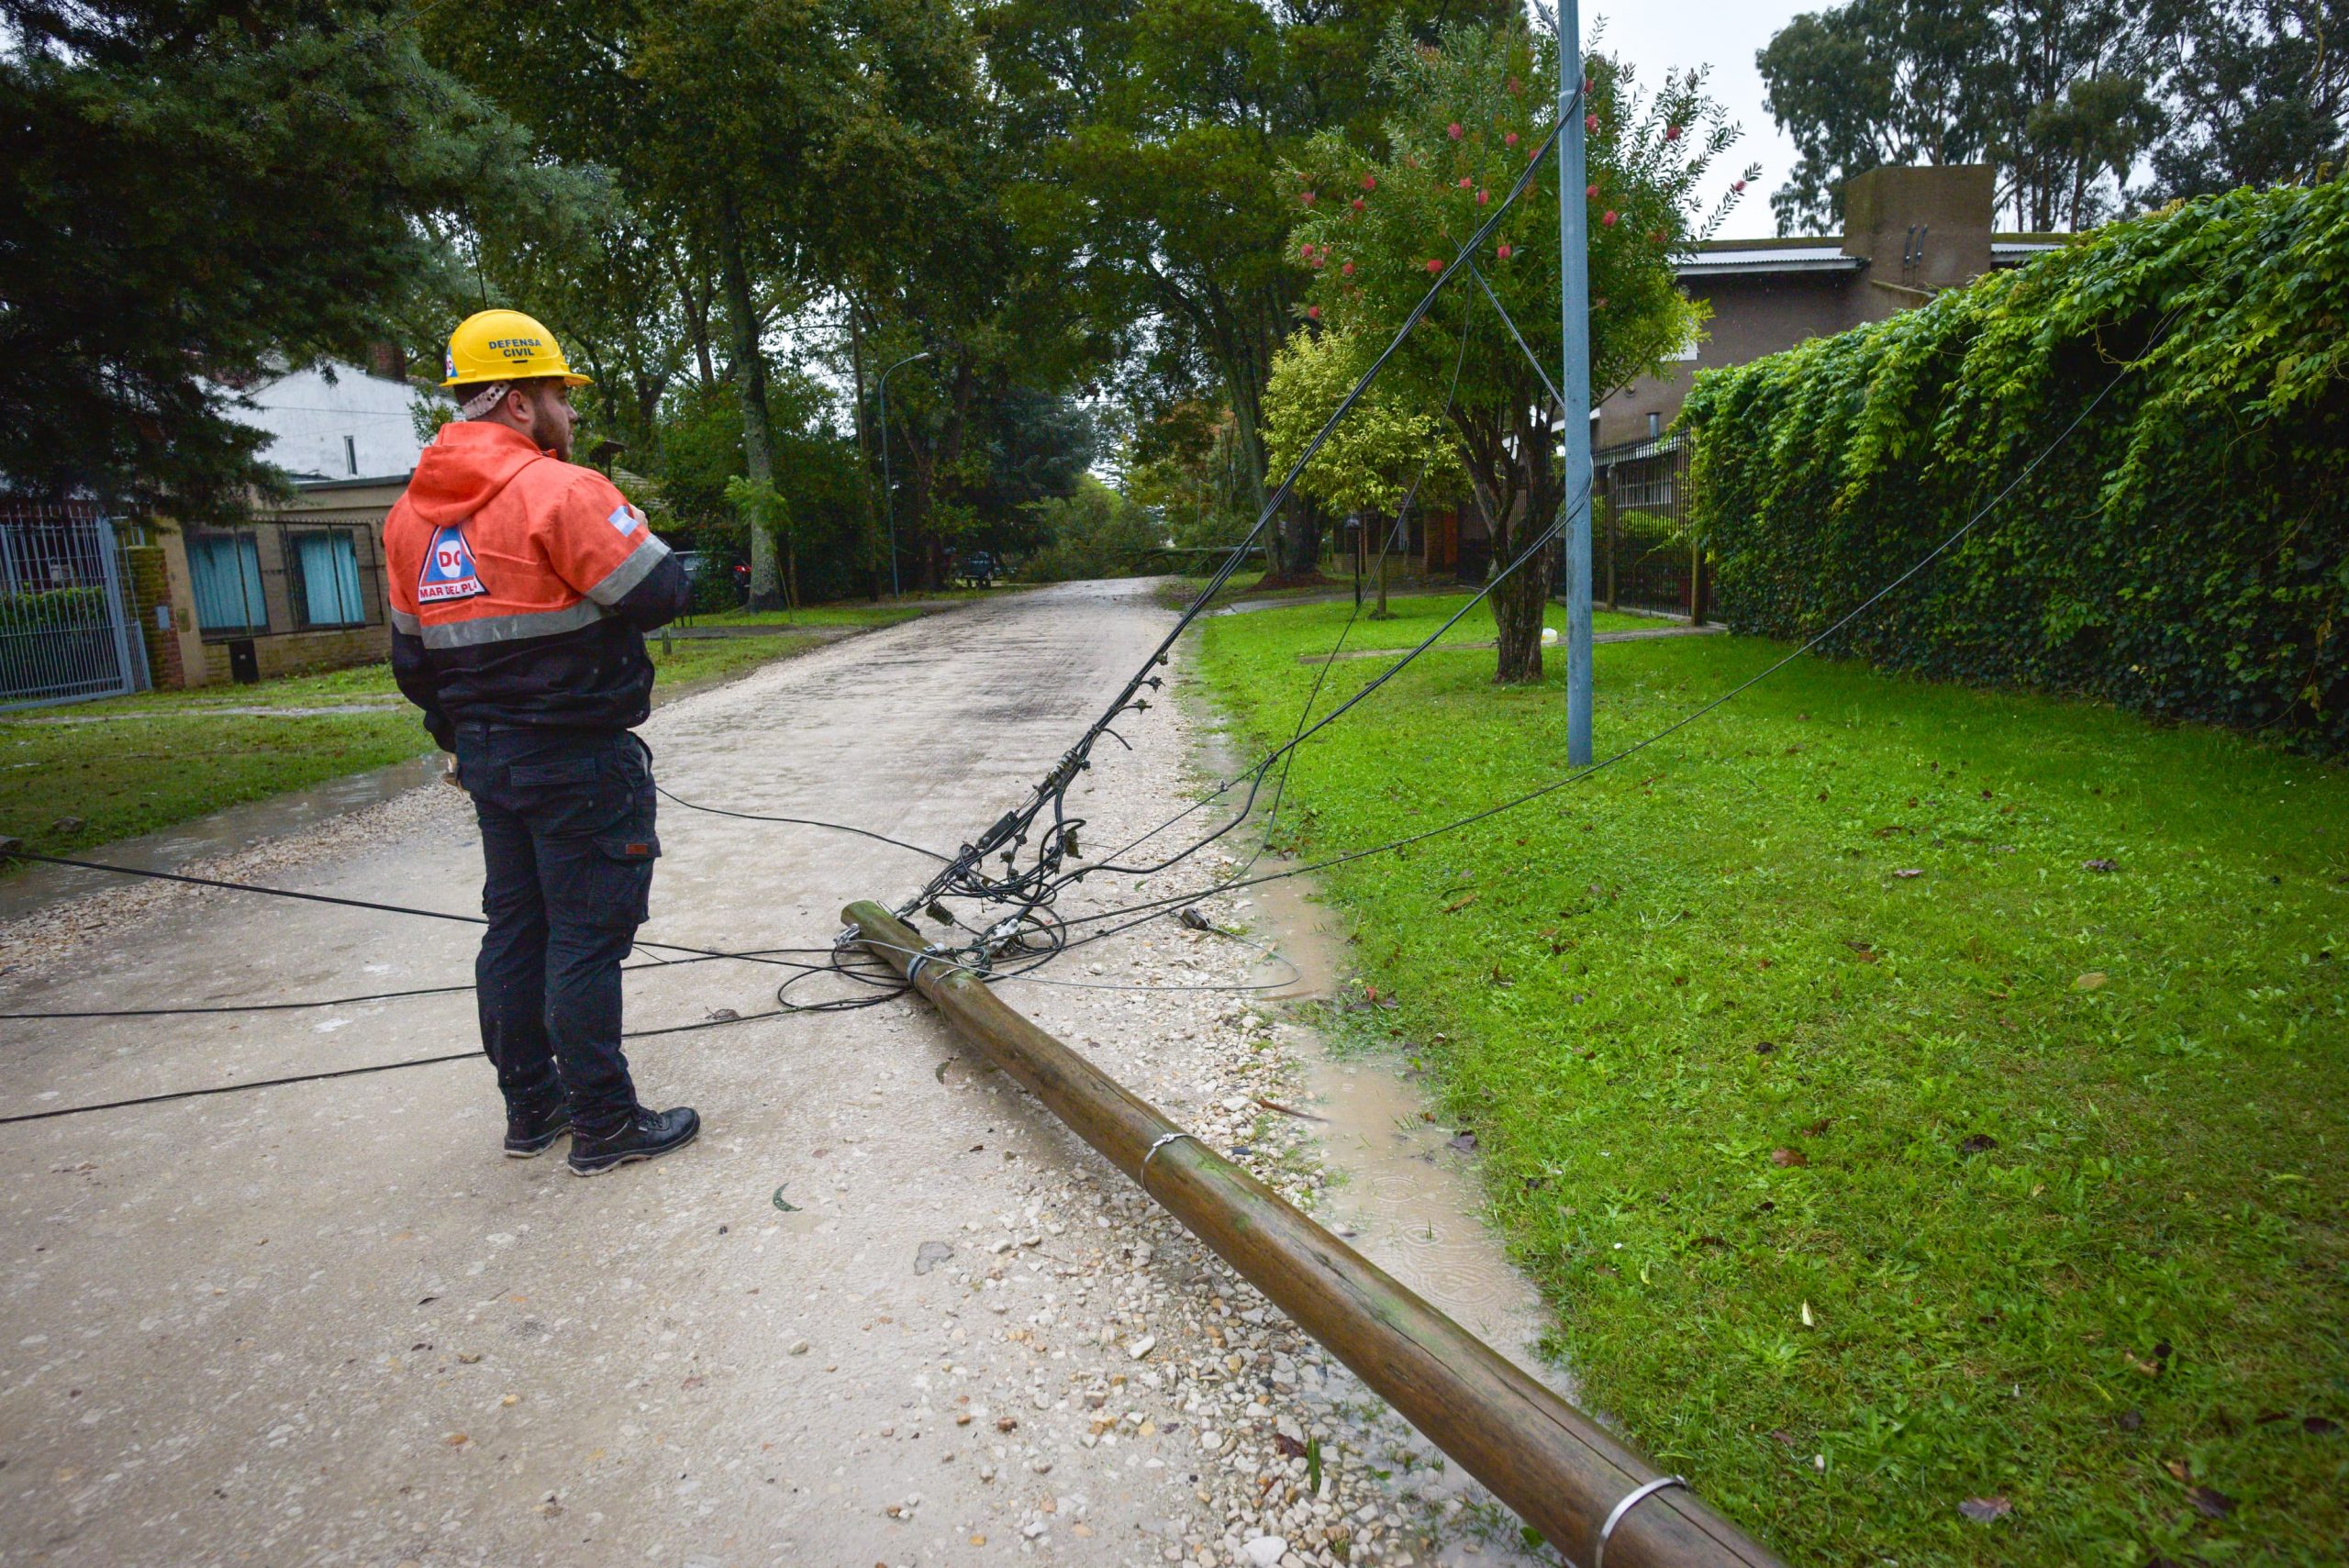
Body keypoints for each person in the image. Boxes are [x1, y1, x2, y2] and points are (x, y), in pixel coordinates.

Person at [384, 308, 700, 1177]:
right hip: (579, 757)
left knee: (515, 930)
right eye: (561, 392)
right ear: (520, 401)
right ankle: (605, 1124)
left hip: (489, 759)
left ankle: (533, 1107)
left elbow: (413, 661)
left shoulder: (409, 517)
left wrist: (462, 737)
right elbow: (661, 590)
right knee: (586, 936)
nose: (570, 410)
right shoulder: (563, 490)